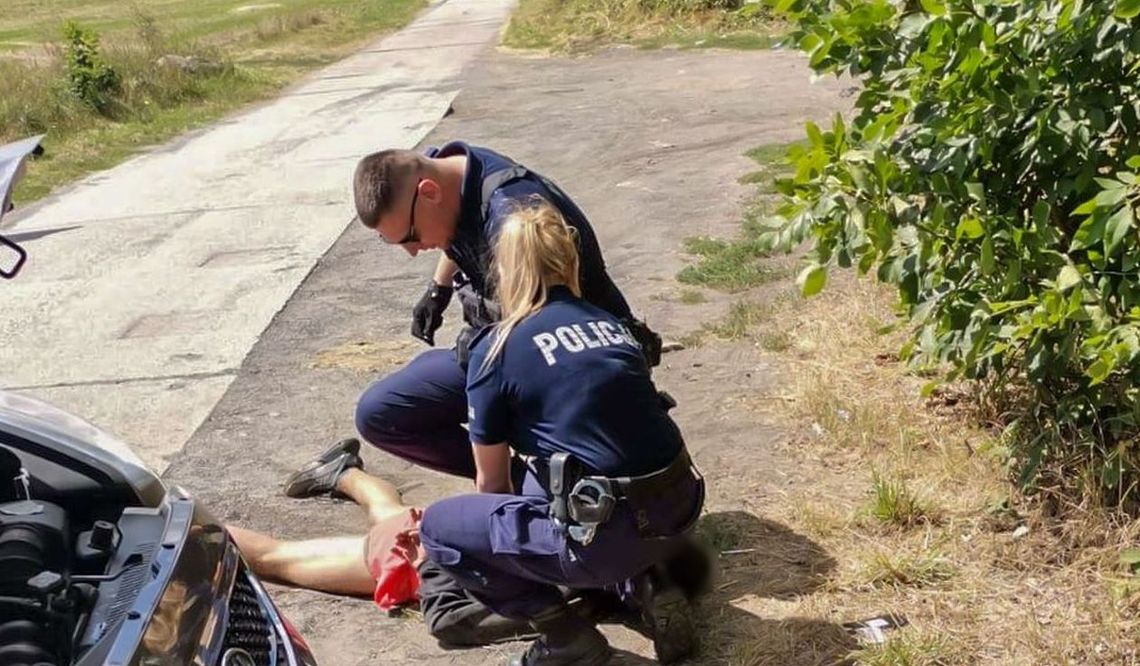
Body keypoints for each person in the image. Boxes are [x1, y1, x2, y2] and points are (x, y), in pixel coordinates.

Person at [416, 204, 705, 666]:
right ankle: (649, 581)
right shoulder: (612, 326)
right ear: (571, 263)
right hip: (679, 512)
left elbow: (492, 489)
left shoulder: (497, 348)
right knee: (556, 481)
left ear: (503, 271)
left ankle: (564, 635)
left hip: (610, 534)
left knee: (441, 528)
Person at [349, 142, 662, 478]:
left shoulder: (515, 215)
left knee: (497, 415)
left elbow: (541, 336)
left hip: (566, 368)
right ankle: (524, 480)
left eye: (410, 236)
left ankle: (552, 484)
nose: (411, 251)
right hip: (511, 355)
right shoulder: (446, 171)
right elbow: (456, 227)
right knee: (381, 412)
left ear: (428, 193)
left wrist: (488, 413)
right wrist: (438, 288)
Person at [227, 439, 537, 647]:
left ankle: (342, 473)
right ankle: (188, 530)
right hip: (426, 557)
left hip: (457, 533)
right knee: (277, 559)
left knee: (391, 516)